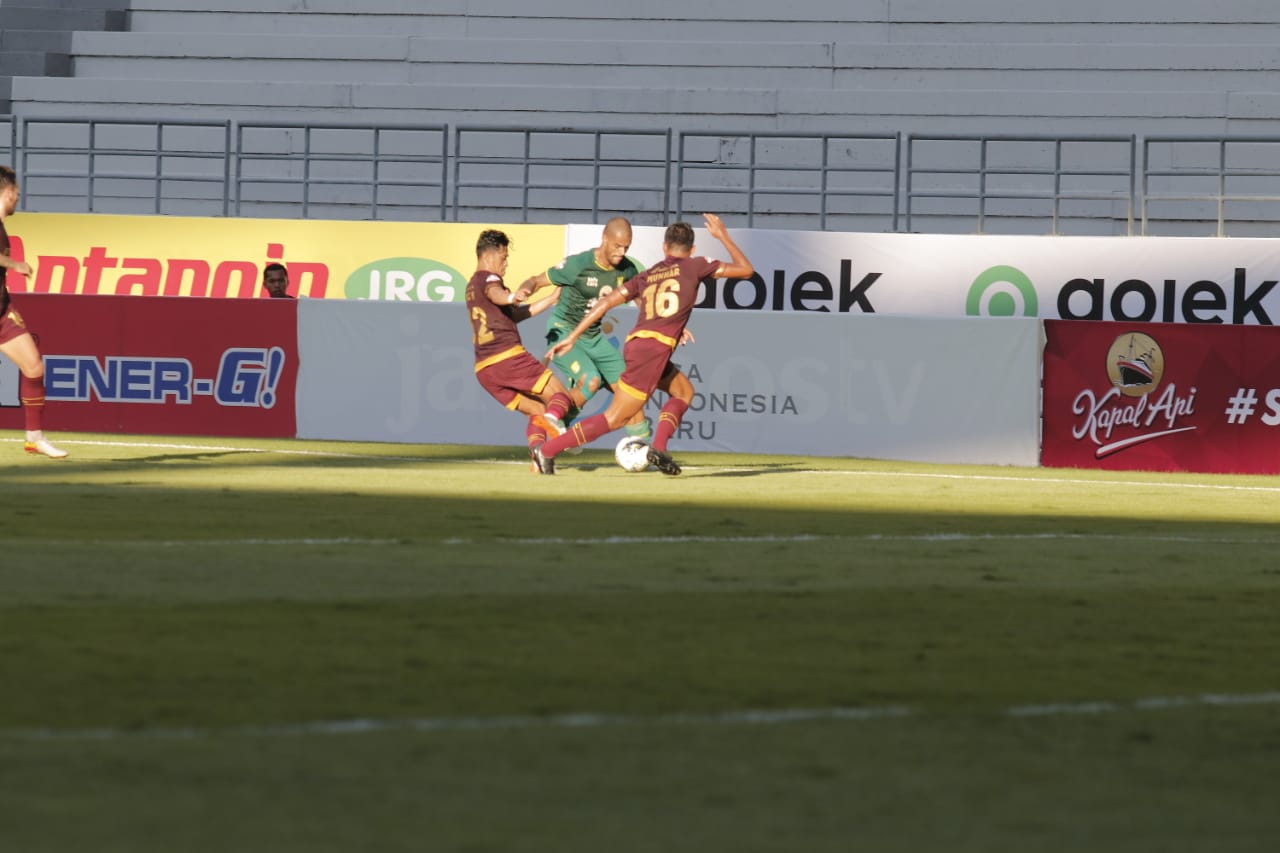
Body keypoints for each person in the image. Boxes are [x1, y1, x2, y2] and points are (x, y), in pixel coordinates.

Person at [533, 213, 752, 475]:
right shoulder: (697, 265)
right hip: (653, 350)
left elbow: (605, 303)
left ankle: (658, 448)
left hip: (641, 344)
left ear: (664, 247)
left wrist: (573, 335)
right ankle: (546, 451)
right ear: (692, 249)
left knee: (684, 392)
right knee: (615, 418)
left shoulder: (648, 274)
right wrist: (723, 236)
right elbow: (746, 269)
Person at [519, 217, 655, 445]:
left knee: (629, 395)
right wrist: (524, 289)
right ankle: (551, 423)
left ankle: (643, 452)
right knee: (590, 380)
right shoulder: (577, 265)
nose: (621, 252)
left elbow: (641, 302)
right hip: (563, 331)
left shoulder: (628, 269)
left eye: (626, 247)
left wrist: (658, 325)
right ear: (604, 238)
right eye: (617, 246)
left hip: (593, 337)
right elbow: (537, 280)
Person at [465, 228, 573, 467]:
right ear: (488, 256)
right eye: (504, 258)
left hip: (485, 370)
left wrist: (551, 300)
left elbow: (514, 314)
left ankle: (539, 457)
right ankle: (559, 432)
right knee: (560, 397)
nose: (506, 264)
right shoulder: (490, 280)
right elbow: (497, 295)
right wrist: (511, 296)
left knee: (536, 410)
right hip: (507, 358)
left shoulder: (472, 285)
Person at [0, 166, 68, 459]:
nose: (18, 197)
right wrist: (15, 265)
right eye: (15, 192)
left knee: (34, 367)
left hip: (2, 310)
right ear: (5, 192)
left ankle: (34, 438)